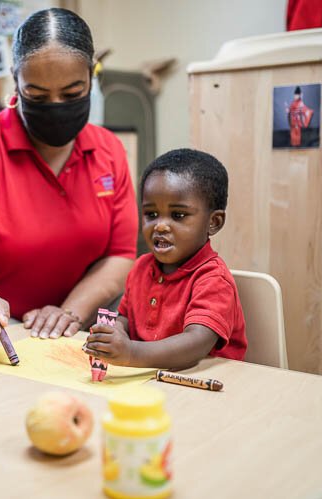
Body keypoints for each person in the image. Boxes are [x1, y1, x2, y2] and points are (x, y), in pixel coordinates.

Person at [0, 8, 137, 344]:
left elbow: (120, 255)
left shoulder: (109, 151)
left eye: (72, 94)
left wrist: (67, 314)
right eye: (38, 96)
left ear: (91, 75)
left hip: (72, 327)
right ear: (16, 79)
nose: (55, 106)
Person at [83, 149, 247, 369]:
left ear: (214, 222)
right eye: (151, 214)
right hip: (152, 380)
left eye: (178, 215)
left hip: (207, 385)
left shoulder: (213, 279)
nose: (160, 225)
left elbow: (197, 342)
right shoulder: (141, 267)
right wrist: (112, 336)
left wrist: (131, 352)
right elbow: (125, 319)